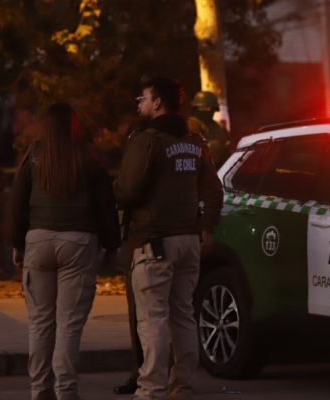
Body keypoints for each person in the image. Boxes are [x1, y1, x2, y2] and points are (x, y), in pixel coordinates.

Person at [113, 77, 223, 400]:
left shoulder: (147, 139)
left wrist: (114, 189)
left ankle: (151, 389)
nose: (139, 104)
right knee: (183, 315)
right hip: (189, 241)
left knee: (153, 319)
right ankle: (183, 385)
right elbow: (214, 189)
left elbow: (128, 191)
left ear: (157, 102)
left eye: (143, 98)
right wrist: (207, 230)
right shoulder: (195, 140)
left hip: (154, 243)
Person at [10, 103, 120, 400]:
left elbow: (18, 204)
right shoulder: (88, 156)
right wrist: (112, 245)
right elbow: (105, 205)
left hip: (38, 241)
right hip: (79, 244)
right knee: (69, 325)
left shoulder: (34, 155)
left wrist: (18, 244)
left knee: (40, 323)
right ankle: (66, 391)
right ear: (74, 125)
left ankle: (39, 391)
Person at [187, 91, 230, 167]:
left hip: (217, 171)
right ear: (196, 108)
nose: (206, 110)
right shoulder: (188, 126)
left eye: (208, 108)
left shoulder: (220, 129)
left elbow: (227, 152)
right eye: (203, 107)